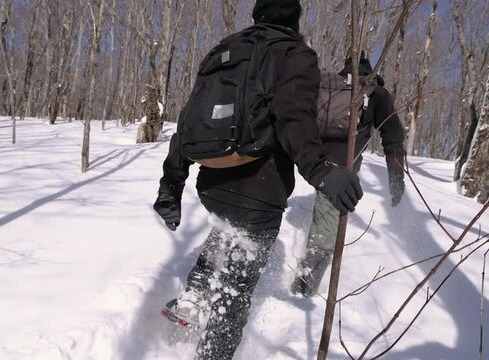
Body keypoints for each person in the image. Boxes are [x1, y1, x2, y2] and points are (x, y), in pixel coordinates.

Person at [153, 1, 363, 359]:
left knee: (226, 230)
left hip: (213, 180)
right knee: (234, 290)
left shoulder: (224, 49)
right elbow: (294, 118)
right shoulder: (296, 54)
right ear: (294, 21)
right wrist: (322, 171)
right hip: (261, 188)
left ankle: (194, 295)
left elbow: (190, 119)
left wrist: (170, 186)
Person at [291, 54, 406, 297]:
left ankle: (302, 285)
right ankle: (302, 292)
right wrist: (396, 180)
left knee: (324, 213)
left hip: (311, 159)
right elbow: (393, 137)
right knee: (327, 228)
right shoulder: (376, 93)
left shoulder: (329, 86)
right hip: (340, 167)